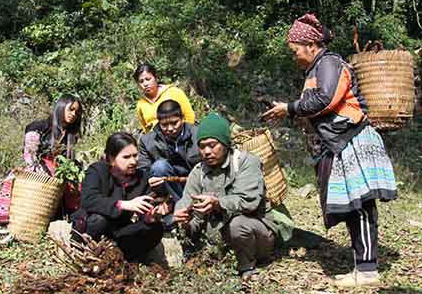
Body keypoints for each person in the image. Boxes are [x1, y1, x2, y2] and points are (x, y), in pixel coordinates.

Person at [262, 14, 397, 287]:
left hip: (352, 138)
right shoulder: (315, 69)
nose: (294, 55)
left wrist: (289, 107)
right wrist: (290, 110)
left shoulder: (329, 63)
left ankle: (368, 270)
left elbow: (325, 99)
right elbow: (315, 104)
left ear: (311, 44)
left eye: (295, 50)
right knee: (351, 206)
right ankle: (363, 265)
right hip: (340, 141)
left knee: (360, 205)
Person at [173, 113, 294, 281]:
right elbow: (186, 201)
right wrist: (183, 219)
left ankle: (247, 267)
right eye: (202, 146)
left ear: (225, 143)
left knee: (238, 225)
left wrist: (217, 203)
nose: (207, 151)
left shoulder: (246, 162)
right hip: (219, 237)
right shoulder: (198, 172)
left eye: (212, 145)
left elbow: (248, 201)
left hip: (255, 231)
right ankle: (223, 259)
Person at [71, 132, 165, 262]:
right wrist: (124, 204)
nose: (133, 161)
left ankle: (120, 257)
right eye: (126, 157)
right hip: (92, 227)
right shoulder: (97, 171)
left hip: (119, 233)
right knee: (99, 219)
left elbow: (146, 208)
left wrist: (151, 216)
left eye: (135, 156)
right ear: (111, 159)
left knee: (155, 229)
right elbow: (89, 200)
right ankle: (87, 253)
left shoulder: (142, 178)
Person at [0, 94, 83, 224]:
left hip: (59, 172)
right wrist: (39, 171)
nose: (73, 114)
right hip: (39, 168)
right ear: (61, 107)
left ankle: (74, 217)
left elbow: (69, 160)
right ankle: (3, 213)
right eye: (71, 109)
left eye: (77, 111)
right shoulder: (40, 126)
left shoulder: (71, 135)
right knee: (12, 177)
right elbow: (30, 154)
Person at [139, 99, 201, 205]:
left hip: (194, 181)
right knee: (159, 167)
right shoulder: (147, 141)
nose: (170, 128)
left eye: (174, 123)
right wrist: (148, 180)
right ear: (158, 122)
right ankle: (180, 205)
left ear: (182, 118)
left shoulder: (198, 134)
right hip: (167, 185)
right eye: (164, 125)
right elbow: (142, 171)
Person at [134, 63, 195, 133]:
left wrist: (187, 134)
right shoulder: (140, 104)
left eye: (148, 79)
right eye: (141, 81)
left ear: (156, 78)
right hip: (157, 141)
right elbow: (145, 128)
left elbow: (189, 116)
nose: (145, 84)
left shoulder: (174, 92)